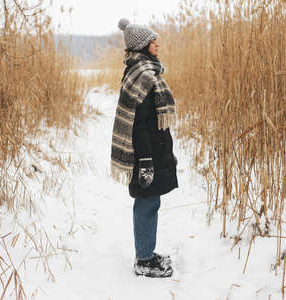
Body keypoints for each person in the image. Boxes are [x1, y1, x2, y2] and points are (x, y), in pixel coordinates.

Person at [111, 18, 178, 278]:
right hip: (146, 155)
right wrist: (147, 160)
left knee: (150, 202)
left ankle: (146, 252)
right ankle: (144, 260)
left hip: (151, 152)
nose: (157, 44)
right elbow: (139, 125)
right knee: (147, 203)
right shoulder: (143, 77)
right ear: (143, 47)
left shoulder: (142, 72)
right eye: (153, 41)